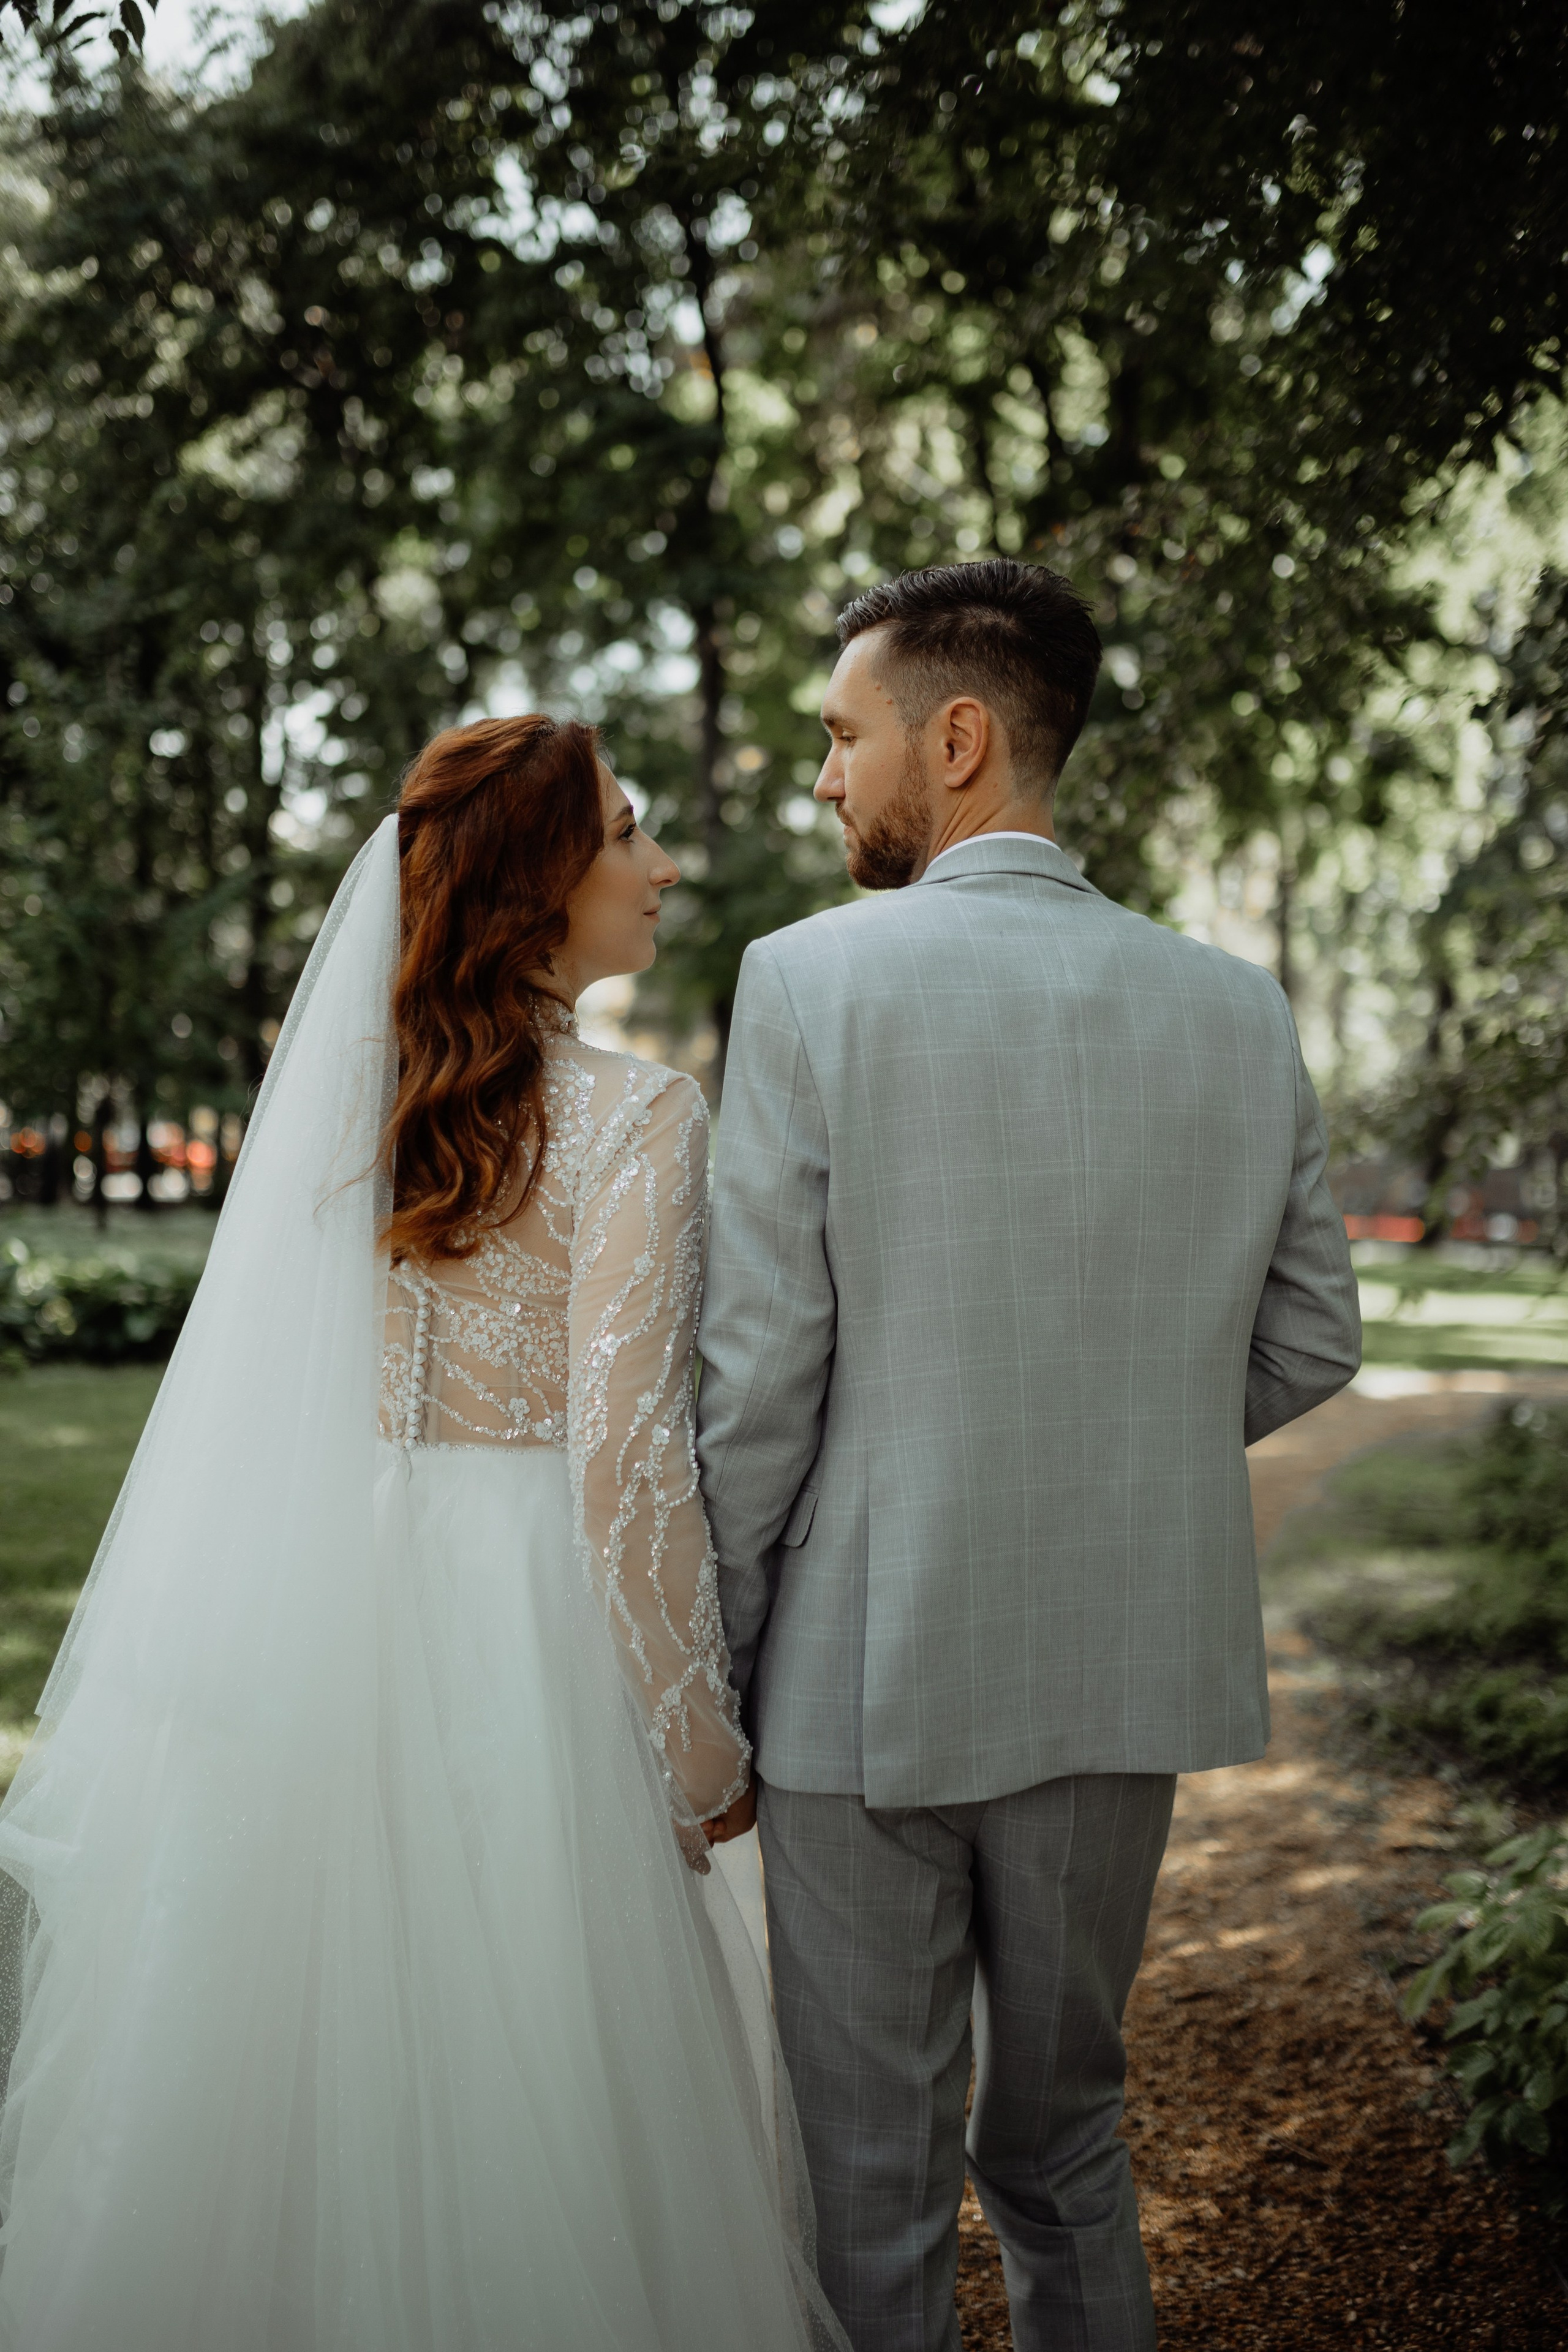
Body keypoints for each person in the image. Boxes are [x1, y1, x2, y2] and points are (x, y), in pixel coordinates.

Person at [0, 716, 845, 2352]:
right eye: (627, 834)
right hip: (527, 1636)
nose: (663, 867)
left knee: (292, 2067)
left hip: (329, 1609)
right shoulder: (640, 1115)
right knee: (530, 2055)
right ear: (540, 884)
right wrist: (695, 1741)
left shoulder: (336, 1113)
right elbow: (622, 1465)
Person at [695, 558, 1362, 2352]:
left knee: (871, 2174)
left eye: (844, 736)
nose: (825, 775)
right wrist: (1122, 1438)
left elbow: (758, 1385)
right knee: (1067, 2138)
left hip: (859, 1677)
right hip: (1110, 1664)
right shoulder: (1234, 1006)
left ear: (961, 737)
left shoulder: (807, 982)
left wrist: (717, 1658)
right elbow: (1316, 1336)